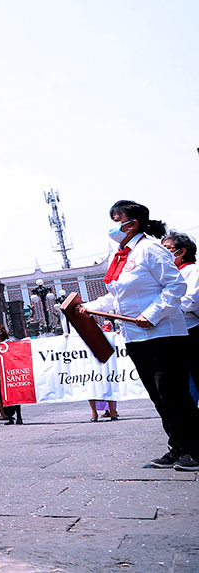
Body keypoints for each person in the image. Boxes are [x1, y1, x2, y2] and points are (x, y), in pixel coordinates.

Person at [78, 201, 198, 471]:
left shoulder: (150, 249)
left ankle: (195, 449)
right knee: (158, 396)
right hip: (135, 337)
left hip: (163, 335)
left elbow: (175, 286)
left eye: (116, 219)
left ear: (131, 224)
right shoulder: (120, 255)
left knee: (174, 395)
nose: (112, 226)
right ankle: (177, 447)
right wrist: (89, 308)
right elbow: (117, 297)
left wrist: (152, 314)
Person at [161, 230, 198, 398]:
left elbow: (191, 300)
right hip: (174, 333)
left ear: (181, 251)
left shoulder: (192, 271)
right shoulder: (166, 275)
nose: (163, 253)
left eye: (167, 248)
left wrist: (162, 309)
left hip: (192, 332)